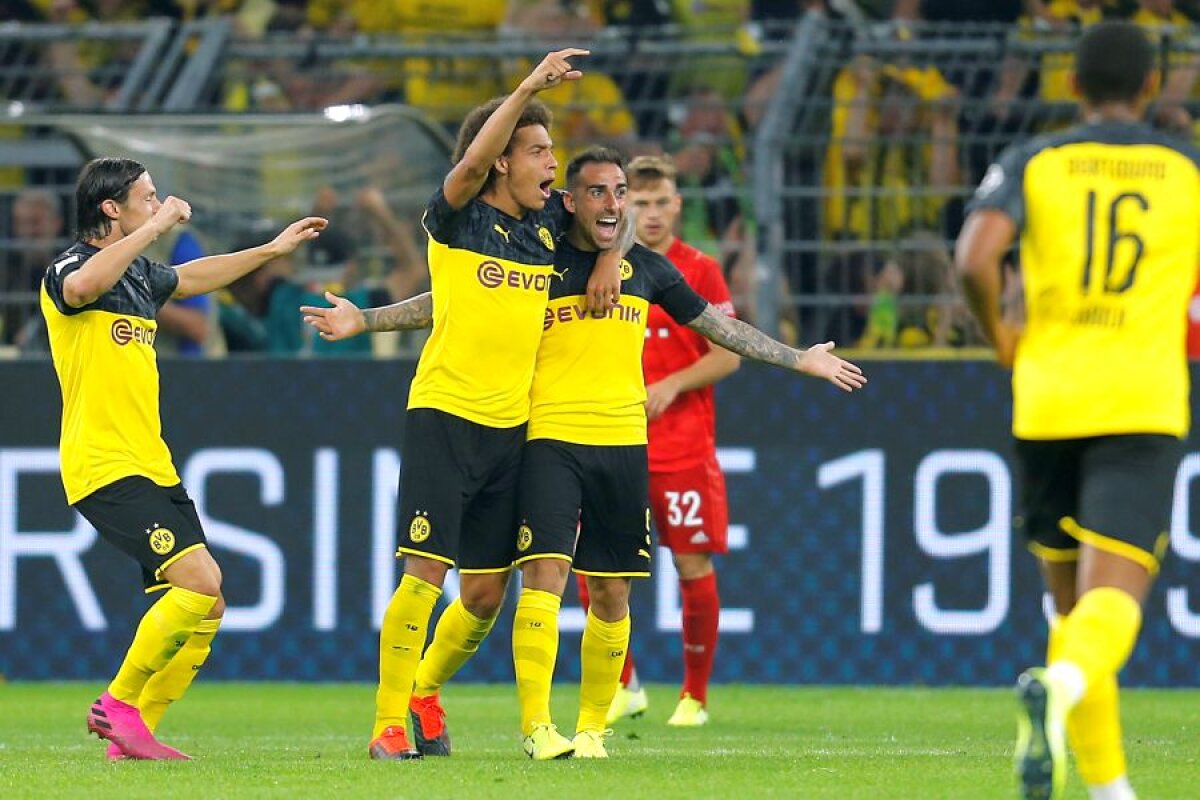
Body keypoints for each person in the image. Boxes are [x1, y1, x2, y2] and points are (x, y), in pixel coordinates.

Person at [304, 148, 865, 760]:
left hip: (623, 442)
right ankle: (535, 726)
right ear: (569, 200)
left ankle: (572, 726)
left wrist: (797, 357)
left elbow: (716, 328)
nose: (614, 204)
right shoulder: (534, 254)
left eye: (620, 192)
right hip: (542, 436)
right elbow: (451, 303)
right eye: (598, 192)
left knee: (576, 594)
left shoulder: (646, 269)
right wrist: (370, 321)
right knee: (537, 579)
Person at [306, 49, 622, 761]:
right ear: (502, 161)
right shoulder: (455, 218)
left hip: (513, 430)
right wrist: (528, 86)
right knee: (425, 573)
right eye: (539, 151)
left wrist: (606, 257)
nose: (551, 163)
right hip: (445, 417)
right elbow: (468, 174)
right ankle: (388, 724)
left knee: (482, 596)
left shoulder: (544, 235)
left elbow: (614, 223)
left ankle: (423, 689)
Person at [955, 21, 1200, 800]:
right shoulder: (1186, 168)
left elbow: (973, 256)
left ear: (1071, 85)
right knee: (1111, 603)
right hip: (1140, 400)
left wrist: (1002, 335)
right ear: (1155, 86)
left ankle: (1110, 789)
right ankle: (1056, 692)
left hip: (1048, 399)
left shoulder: (1037, 161)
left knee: (1069, 609)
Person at [41, 157, 325, 760]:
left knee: (209, 604)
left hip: (151, 462)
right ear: (110, 208)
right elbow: (82, 288)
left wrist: (270, 250)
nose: (159, 203)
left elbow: (196, 277)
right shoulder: (69, 267)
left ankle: (133, 733)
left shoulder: (139, 276)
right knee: (200, 582)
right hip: (104, 462)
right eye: (146, 196)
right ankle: (117, 705)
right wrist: (159, 225)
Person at [595, 154, 741, 728]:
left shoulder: (699, 269)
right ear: (623, 203)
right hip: (612, 439)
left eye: (662, 202)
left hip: (681, 446)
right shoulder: (607, 266)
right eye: (641, 202)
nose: (651, 215)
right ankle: (624, 683)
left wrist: (672, 385)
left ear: (678, 205)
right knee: (599, 567)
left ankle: (694, 696)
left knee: (691, 564)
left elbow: (727, 353)